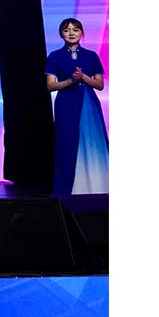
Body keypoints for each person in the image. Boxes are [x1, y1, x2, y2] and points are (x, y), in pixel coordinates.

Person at [46, 18, 109, 196]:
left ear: (82, 33)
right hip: (66, 102)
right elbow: (50, 86)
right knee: (66, 142)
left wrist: (83, 78)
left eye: (75, 29)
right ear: (61, 34)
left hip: (88, 102)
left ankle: (98, 185)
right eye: (67, 30)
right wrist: (71, 80)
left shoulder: (91, 56)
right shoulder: (55, 56)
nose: (71, 33)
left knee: (92, 141)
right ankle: (69, 188)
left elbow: (99, 85)